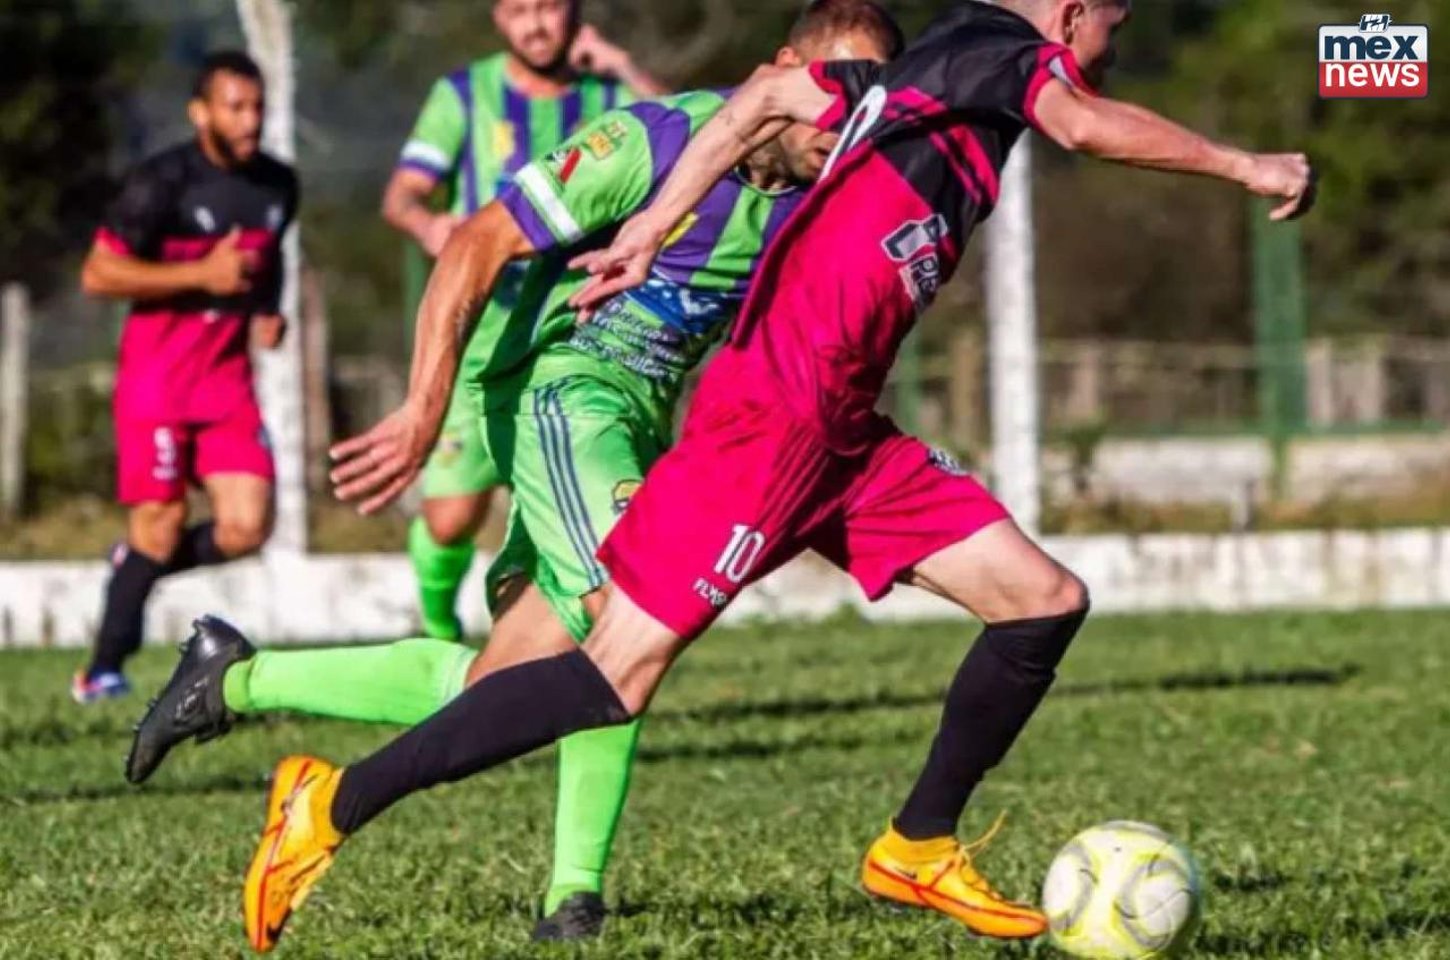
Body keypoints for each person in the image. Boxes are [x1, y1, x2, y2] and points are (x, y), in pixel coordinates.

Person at [231, 0, 1317, 950]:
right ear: (1073, 13)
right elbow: (1079, 123)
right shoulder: (1005, 52)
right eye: (1115, 20)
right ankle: (330, 807)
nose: (1116, 41)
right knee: (611, 673)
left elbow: (758, 97)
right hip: (772, 420)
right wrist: (1246, 165)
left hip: (846, 430)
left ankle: (916, 845)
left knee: (1041, 601)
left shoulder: (924, 73)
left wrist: (653, 226)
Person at [130, 3, 902, 947]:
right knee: (632, 614)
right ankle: (573, 902)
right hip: (557, 387)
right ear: (783, 72)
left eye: (870, 98)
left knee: (504, 685)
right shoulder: (656, 142)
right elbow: (475, 241)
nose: (846, 116)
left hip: (633, 418)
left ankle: (236, 679)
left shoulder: (835, 189)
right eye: (834, 89)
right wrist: (422, 411)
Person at [385, 0, 665, 643]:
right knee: (451, 517)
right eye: (519, 9)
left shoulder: (609, 95)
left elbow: (703, 140)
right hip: (482, 327)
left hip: (579, 328)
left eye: (549, 7)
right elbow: (402, 194)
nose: (535, 24)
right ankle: (437, 629)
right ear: (496, 16)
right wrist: (428, 224)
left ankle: (553, 650)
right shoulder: (464, 95)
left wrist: (624, 65)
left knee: (568, 512)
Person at [72, 51, 297, 703]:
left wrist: (267, 312)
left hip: (227, 382)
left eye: (257, 106)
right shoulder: (160, 183)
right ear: (201, 113)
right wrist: (200, 274)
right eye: (235, 107)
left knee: (247, 527)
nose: (250, 120)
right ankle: (102, 670)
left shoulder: (278, 184)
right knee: (161, 521)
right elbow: (98, 274)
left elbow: (269, 260)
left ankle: (135, 568)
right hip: (158, 380)